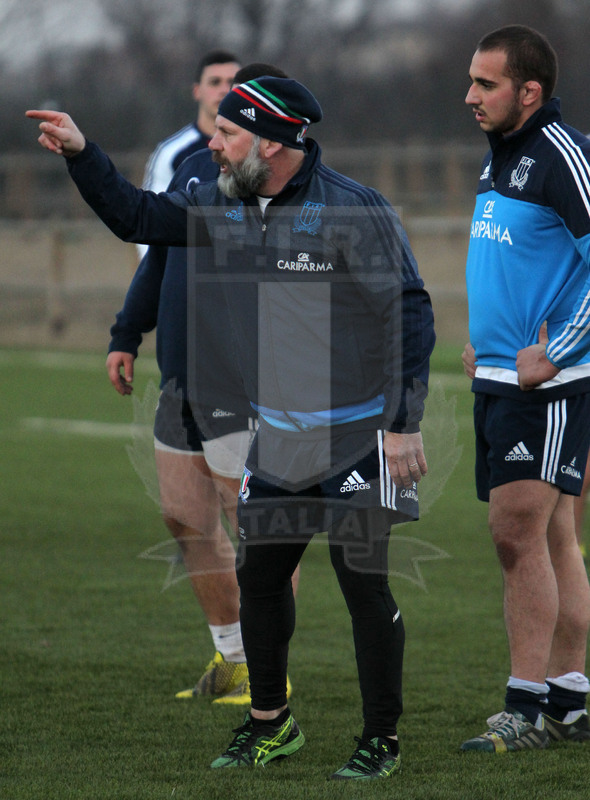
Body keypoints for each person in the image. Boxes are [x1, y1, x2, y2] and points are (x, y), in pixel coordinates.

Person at [27, 74, 435, 781]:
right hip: (274, 436)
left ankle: (381, 739)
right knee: (261, 579)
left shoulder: (352, 209)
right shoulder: (221, 201)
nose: (212, 144)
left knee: (363, 586)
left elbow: (410, 312)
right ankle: (271, 723)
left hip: (358, 436)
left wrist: (402, 424)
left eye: (227, 133)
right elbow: (136, 217)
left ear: (271, 144)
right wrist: (82, 153)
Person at [107, 63, 291, 706]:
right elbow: (158, 254)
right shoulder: (192, 168)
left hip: (245, 383)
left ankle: (271, 670)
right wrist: (128, 331)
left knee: (258, 531)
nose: (220, 129)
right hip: (181, 373)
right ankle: (233, 657)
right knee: (184, 517)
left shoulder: (286, 188)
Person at [460, 24, 590, 753]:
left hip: (547, 387)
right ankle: (568, 701)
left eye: (486, 83)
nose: (470, 95)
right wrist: (485, 339)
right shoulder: (500, 156)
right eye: (472, 81)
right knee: (555, 536)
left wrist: (558, 351)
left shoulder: (564, 155)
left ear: (530, 91)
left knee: (515, 534)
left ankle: (524, 709)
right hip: (500, 377)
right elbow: (519, 263)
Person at [137, 49, 240, 258]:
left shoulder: (260, 148)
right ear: (197, 91)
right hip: (189, 271)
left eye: (231, 82)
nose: (224, 90)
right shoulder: (171, 153)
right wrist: (162, 273)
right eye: (215, 82)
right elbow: (150, 219)